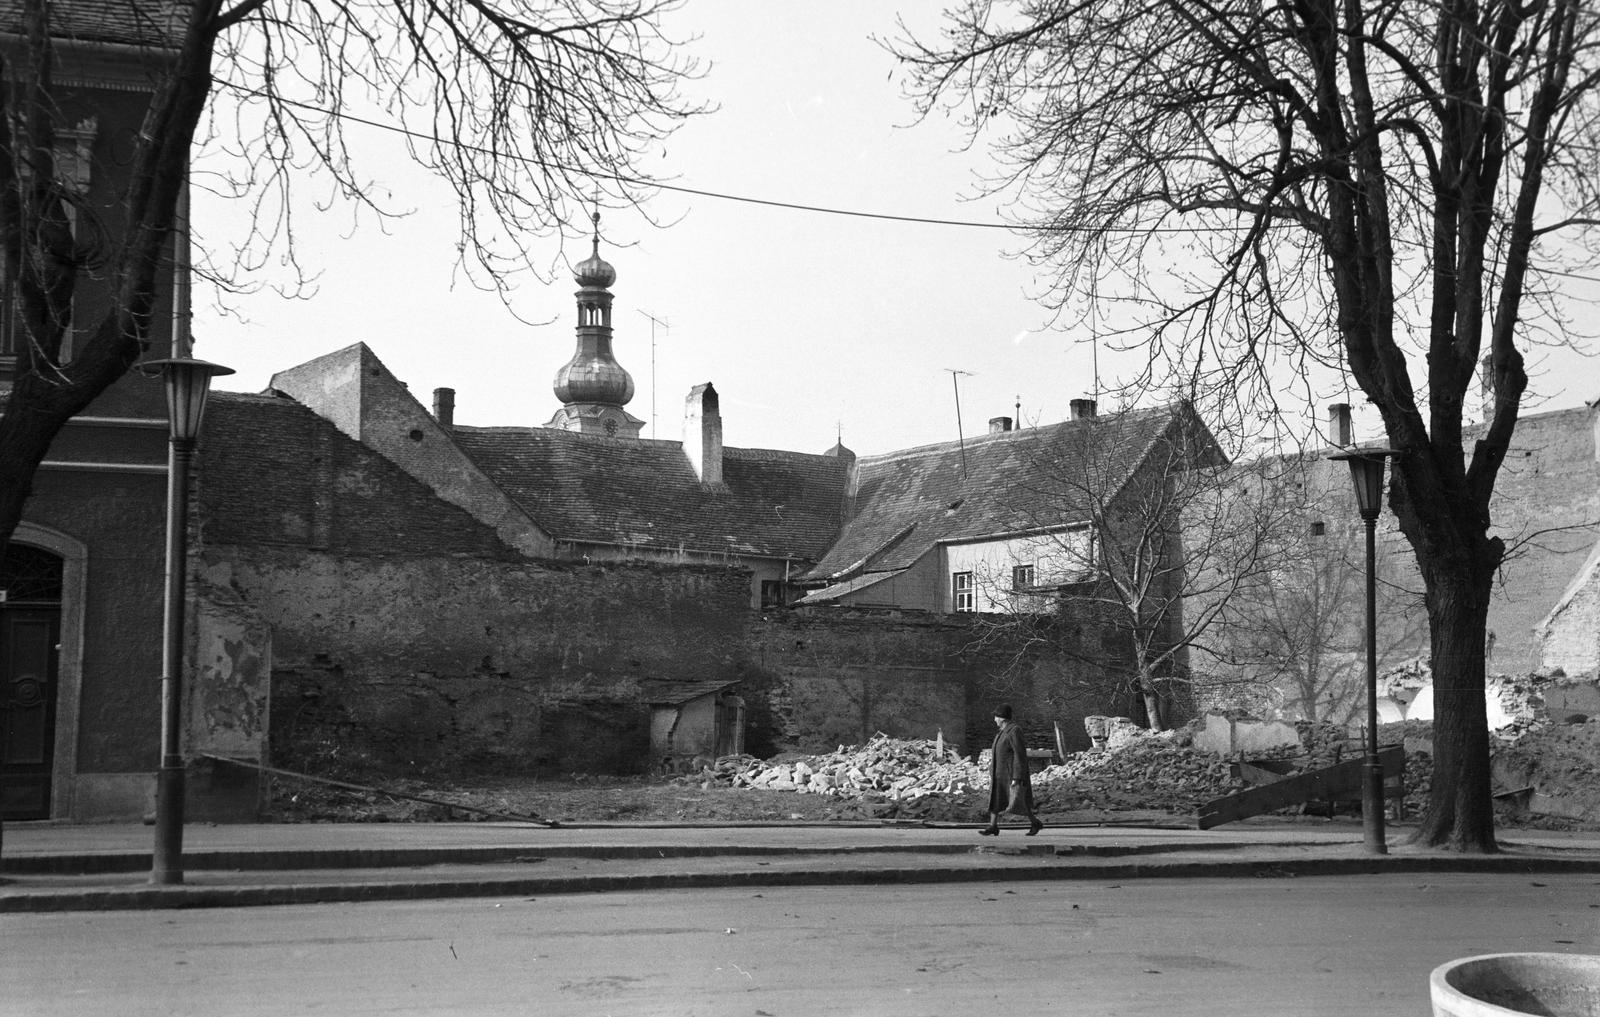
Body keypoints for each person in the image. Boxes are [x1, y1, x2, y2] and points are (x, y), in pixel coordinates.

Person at [980, 704, 1044, 836]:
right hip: (999, 774)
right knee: (996, 800)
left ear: (1002, 718)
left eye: (996, 717)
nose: (994, 720)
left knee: (1018, 800)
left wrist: (1017, 777)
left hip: (1009, 774)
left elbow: (1019, 755)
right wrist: (992, 769)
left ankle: (1035, 822)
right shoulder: (1002, 732)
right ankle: (993, 826)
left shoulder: (1014, 731)